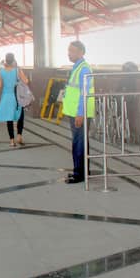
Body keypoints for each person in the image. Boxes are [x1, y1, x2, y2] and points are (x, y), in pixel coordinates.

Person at [62, 40, 95, 184]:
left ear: (81, 52)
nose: (70, 53)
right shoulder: (77, 67)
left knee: (79, 143)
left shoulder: (84, 69)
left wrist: (80, 113)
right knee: (78, 142)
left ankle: (79, 174)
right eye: (69, 51)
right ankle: (81, 171)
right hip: (74, 111)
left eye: (73, 51)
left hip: (80, 113)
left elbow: (84, 93)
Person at [0, 53, 29, 147]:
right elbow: (26, 81)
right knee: (20, 115)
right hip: (17, 96)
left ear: (5, 60)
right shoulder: (17, 70)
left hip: (7, 96)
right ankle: (19, 135)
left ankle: (11, 141)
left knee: (9, 118)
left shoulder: (1, 71)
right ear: (14, 60)